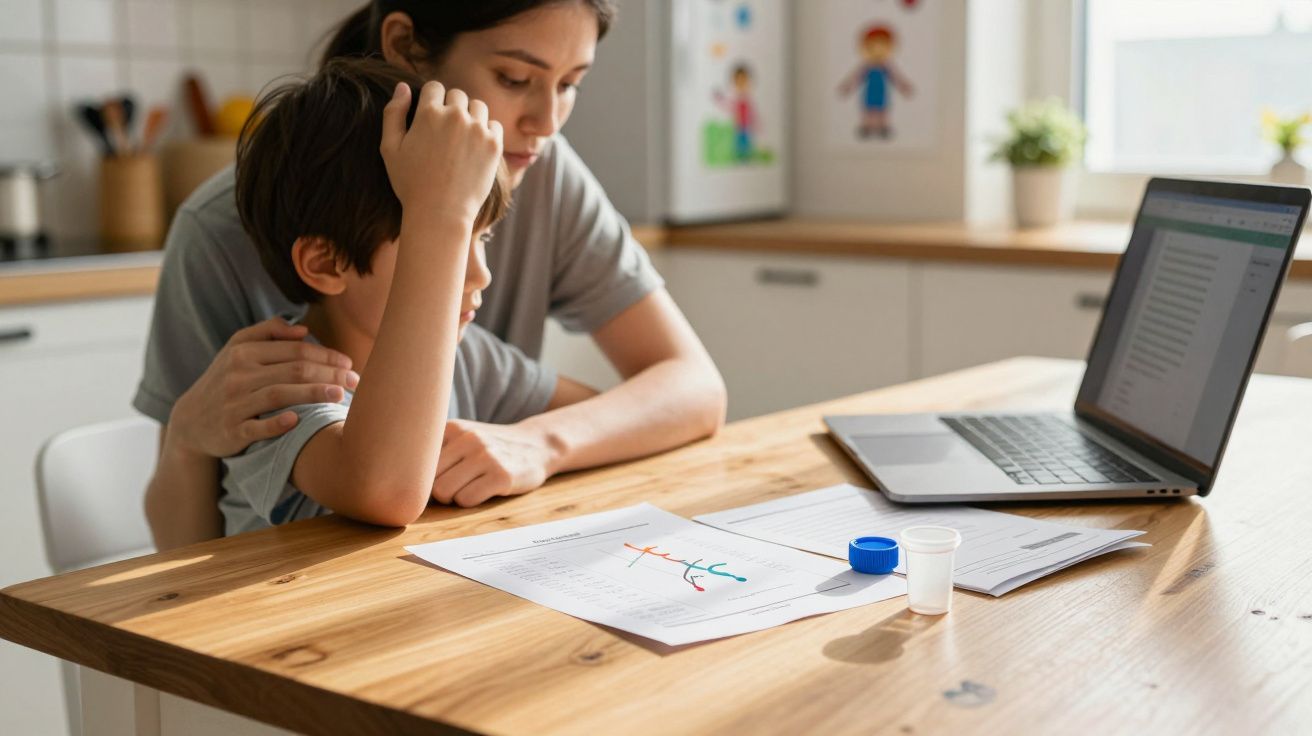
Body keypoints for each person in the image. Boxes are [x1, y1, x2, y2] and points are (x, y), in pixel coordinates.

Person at [139, 0, 727, 549]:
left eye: (570, 84)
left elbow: (687, 392)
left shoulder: (472, 347)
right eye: (515, 79)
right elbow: (194, 541)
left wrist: (539, 443)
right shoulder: (286, 378)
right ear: (407, 46)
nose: (547, 123)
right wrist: (438, 215)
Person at [220, 59, 585, 532]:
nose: (482, 275)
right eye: (444, 243)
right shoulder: (277, 384)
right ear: (327, 264)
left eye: (483, 238)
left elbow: (609, 413)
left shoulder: (469, 357)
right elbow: (387, 491)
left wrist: (537, 442)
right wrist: (439, 215)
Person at [837, 24, 914, 139]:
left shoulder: (886, 67)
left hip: (881, 91)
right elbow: (856, 77)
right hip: (870, 91)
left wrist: (904, 87)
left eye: (882, 46)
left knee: (882, 110)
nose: (878, 50)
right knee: (868, 110)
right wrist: (847, 86)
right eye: (873, 46)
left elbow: (896, 77)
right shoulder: (866, 66)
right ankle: (866, 127)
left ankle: (883, 127)